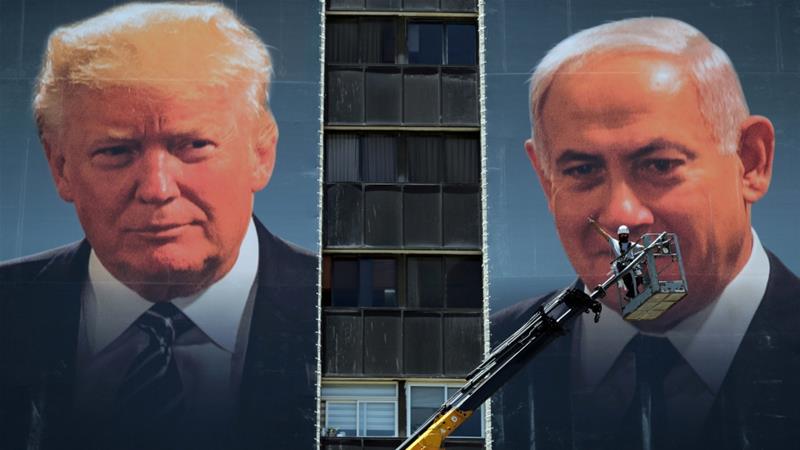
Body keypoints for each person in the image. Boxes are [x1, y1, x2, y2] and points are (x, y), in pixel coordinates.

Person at [0, 3, 317, 450]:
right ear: (60, 167)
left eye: (193, 145)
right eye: (116, 151)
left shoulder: (339, 313)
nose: (157, 188)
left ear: (261, 154)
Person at [492, 17, 800, 450]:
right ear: (546, 181)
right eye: (582, 170)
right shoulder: (492, 355)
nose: (622, 215)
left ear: (750, 162)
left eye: (659, 165)